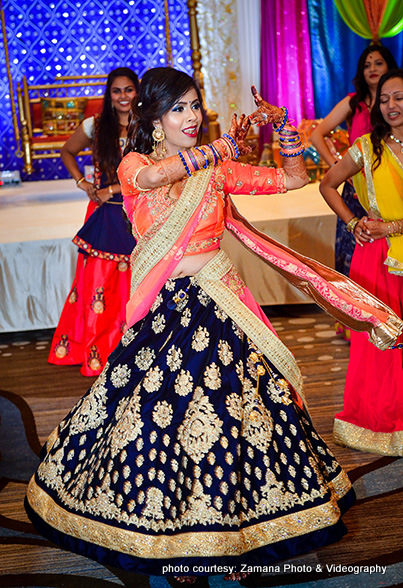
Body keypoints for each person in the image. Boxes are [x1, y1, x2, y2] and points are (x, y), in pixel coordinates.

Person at [26, 68, 402, 583]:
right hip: (165, 311)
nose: (192, 116)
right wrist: (224, 146)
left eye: (195, 105)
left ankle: (231, 538)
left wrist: (283, 127)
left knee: (235, 418)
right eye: (179, 108)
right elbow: (160, 178)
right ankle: (172, 541)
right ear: (155, 121)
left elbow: (292, 179)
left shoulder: (217, 171)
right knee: (160, 421)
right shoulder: (137, 164)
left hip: (222, 303)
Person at [319, 69, 403, 456]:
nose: (390, 106)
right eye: (384, 100)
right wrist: (353, 222)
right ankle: (383, 420)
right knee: (383, 344)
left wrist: (393, 225)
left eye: (398, 97)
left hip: (392, 241)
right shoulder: (368, 147)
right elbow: (327, 184)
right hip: (380, 259)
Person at [48, 67, 139, 377]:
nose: (124, 96)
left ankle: (135, 351)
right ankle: (99, 352)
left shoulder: (150, 125)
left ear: (137, 91)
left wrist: (112, 187)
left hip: (138, 211)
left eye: (129, 90)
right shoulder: (95, 125)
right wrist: (82, 183)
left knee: (136, 281)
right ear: (108, 94)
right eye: (117, 91)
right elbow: (67, 152)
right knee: (99, 284)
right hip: (103, 213)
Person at [311, 45, 397, 339]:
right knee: (355, 257)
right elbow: (317, 135)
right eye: (367, 64)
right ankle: (356, 322)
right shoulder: (354, 105)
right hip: (359, 192)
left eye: (379, 63)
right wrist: (336, 163)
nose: (372, 68)